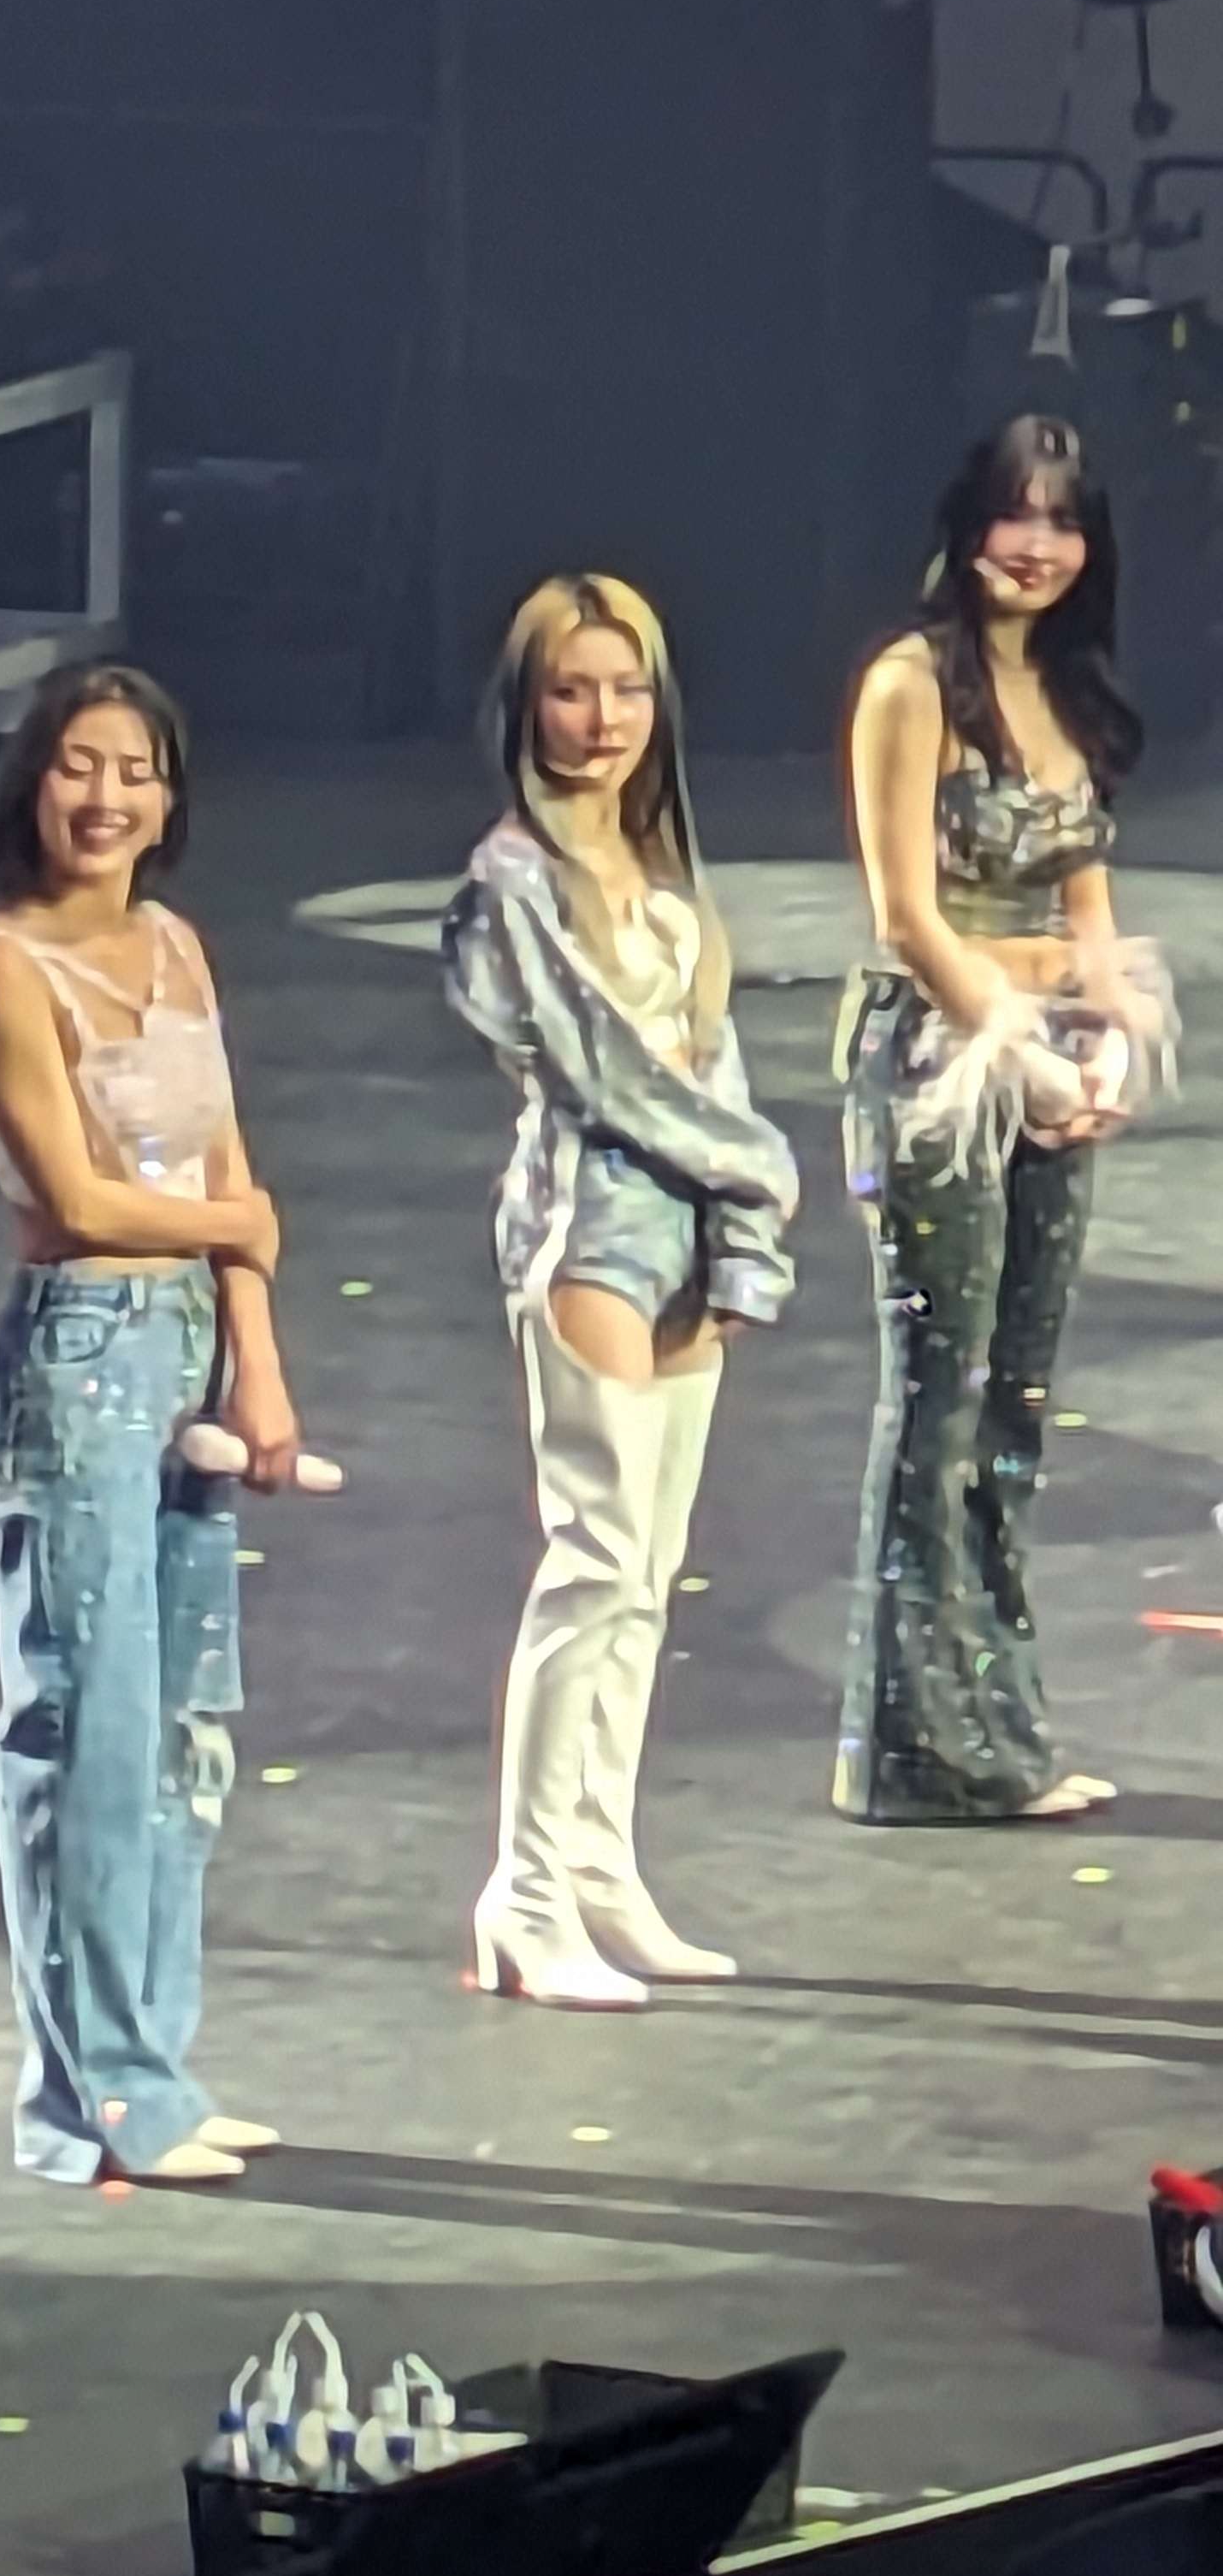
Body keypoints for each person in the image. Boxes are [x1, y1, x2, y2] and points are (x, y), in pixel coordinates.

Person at [0, 664, 304, 2190]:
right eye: (80, 766)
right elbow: (75, 1198)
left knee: (178, 1726)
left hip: (186, 1341)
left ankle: (155, 2062)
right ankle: (88, 2100)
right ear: (35, 782)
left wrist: (257, 1358)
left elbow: (227, 1159)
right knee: (86, 1728)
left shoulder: (175, 944)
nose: (107, 798)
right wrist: (236, 1225)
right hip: (81, 1348)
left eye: (136, 771)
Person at [441, 577, 798, 2010]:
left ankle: (597, 1867)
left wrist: (743, 1233)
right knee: (589, 1562)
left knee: (646, 1574)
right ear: (525, 704)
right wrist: (762, 1171)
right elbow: (611, 1079)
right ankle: (523, 1895)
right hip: (590, 1222)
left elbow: (708, 1053)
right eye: (571, 689)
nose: (601, 719)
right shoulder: (512, 879)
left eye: (626, 687)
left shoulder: (662, 860)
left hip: (690, 1225)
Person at [834, 416, 1167, 1827]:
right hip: (937, 1065)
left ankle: (1002, 1731)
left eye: (1063, 520)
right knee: (941, 1391)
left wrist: (1106, 1041)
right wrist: (1012, 1041)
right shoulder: (912, 686)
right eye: (1014, 515)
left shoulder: (1070, 693)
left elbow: (1088, 910)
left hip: (1047, 1058)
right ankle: (912, 1746)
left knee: (1014, 1405)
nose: (1036, 545)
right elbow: (907, 916)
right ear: (967, 526)